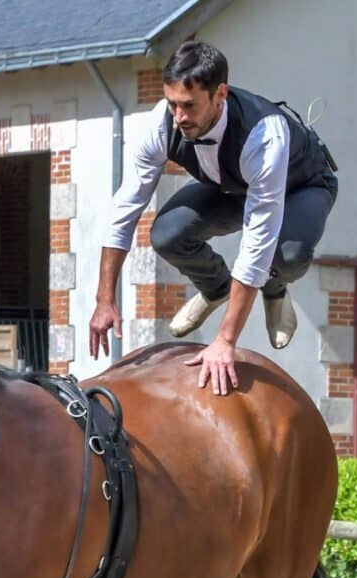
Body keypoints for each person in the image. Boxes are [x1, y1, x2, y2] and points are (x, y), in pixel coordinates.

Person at [88, 40, 338, 395]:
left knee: (288, 254)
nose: (179, 117)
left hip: (300, 188)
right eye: (173, 104)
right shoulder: (162, 123)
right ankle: (215, 287)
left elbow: (257, 241)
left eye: (189, 106)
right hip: (232, 188)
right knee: (167, 234)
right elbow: (126, 206)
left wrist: (225, 340)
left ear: (220, 94)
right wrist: (104, 299)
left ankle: (276, 287)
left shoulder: (263, 135)